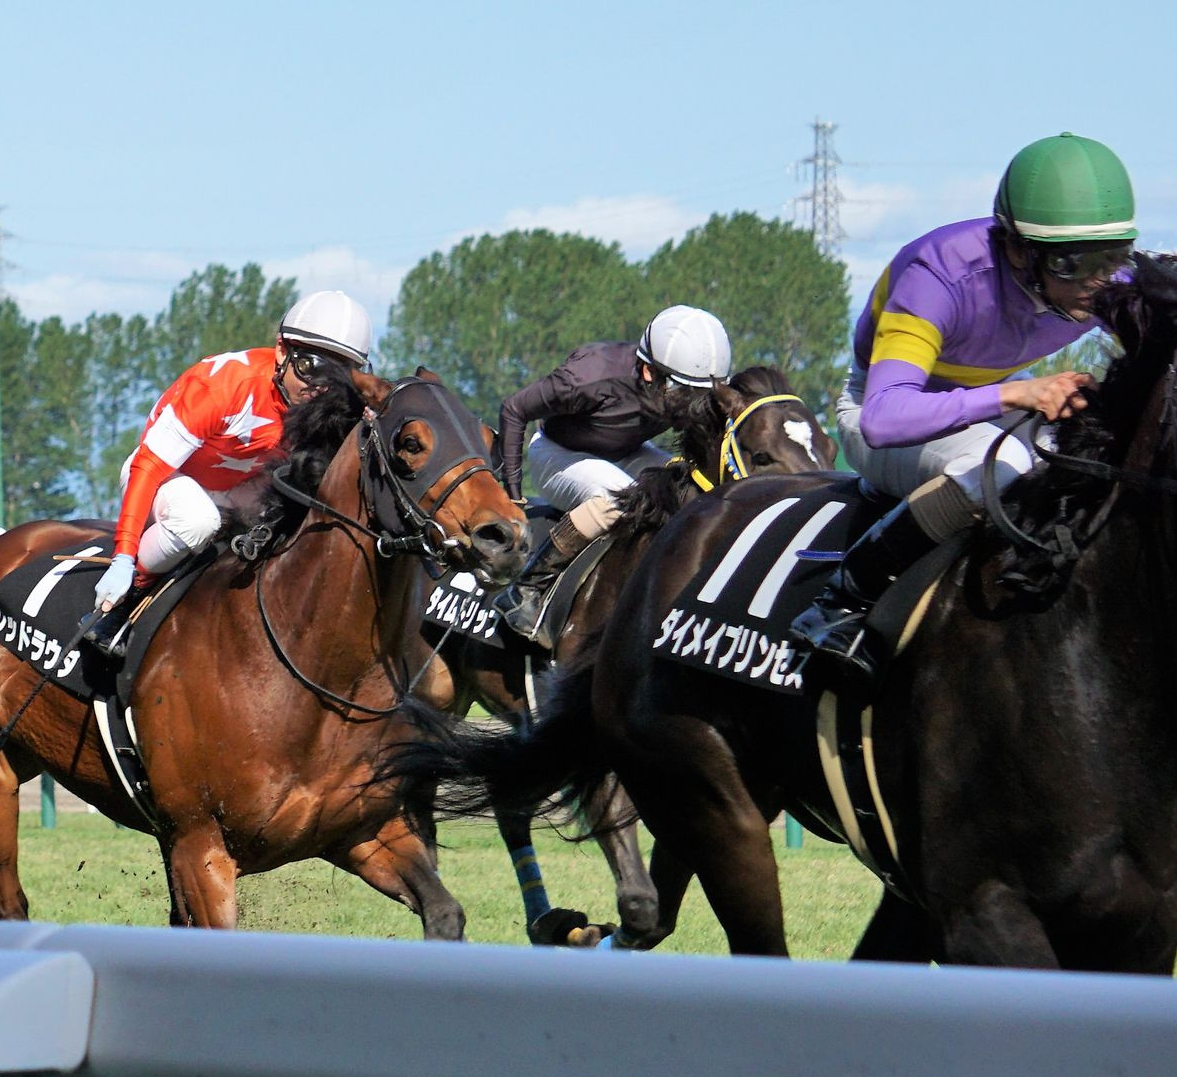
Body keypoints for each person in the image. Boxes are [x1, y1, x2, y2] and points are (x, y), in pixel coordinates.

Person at [787, 133, 1138, 684]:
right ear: (1018, 249)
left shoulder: (1106, 281)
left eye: (1112, 257)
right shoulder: (939, 275)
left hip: (987, 399)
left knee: (1088, 453)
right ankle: (844, 599)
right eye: (1073, 263)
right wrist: (1016, 394)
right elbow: (884, 417)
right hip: (882, 407)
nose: (1098, 284)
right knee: (1004, 465)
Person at [82, 292, 375, 662]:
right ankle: (123, 603)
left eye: (338, 376)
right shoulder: (224, 385)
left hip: (236, 491)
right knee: (198, 520)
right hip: (162, 478)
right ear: (282, 351)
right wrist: (124, 558)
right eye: (311, 367)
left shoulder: (330, 405)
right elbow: (148, 467)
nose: (321, 388)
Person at [487, 304, 732, 640]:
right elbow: (514, 409)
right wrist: (512, 495)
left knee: (687, 490)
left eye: (701, 394)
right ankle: (527, 589)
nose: (693, 405)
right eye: (684, 393)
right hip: (557, 453)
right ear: (649, 372)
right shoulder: (588, 377)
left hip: (626, 451)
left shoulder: (674, 377)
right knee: (624, 501)